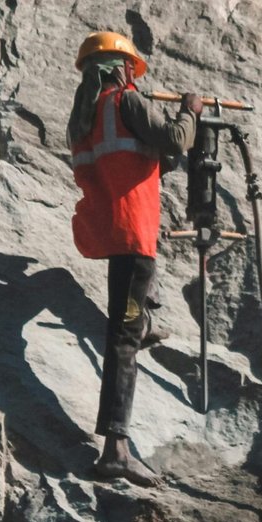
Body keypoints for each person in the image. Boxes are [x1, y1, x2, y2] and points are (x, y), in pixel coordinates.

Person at [67, 30, 202, 486]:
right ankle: (116, 451)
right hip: (133, 233)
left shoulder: (84, 116)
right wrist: (190, 111)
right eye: (131, 68)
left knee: (129, 317)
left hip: (109, 230)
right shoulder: (126, 101)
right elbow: (176, 140)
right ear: (122, 68)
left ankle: (142, 321)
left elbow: (138, 160)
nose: (133, 75)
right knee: (122, 340)